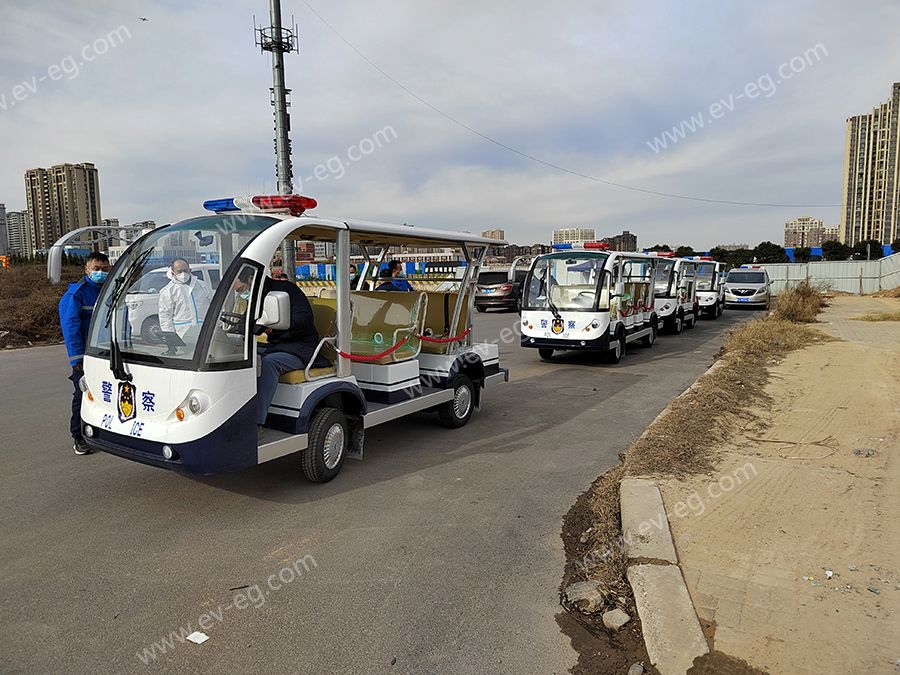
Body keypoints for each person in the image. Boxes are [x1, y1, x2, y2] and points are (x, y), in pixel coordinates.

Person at [233, 268, 330, 433]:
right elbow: (246, 320)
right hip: (276, 345)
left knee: (269, 363)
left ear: (251, 279)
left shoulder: (286, 290)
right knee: (238, 354)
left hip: (299, 347)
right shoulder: (257, 295)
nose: (244, 293)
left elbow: (304, 318)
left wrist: (275, 327)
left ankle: (257, 423)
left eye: (242, 290)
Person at [59, 252, 110, 455]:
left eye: (105, 269)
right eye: (96, 269)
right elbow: (70, 328)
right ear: (86, 270)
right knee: (82, 394)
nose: (100, 272)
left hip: (107, 353)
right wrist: (76, 359)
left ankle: (99, 432)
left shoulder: (109, 290)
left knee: (104, 393)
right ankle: (78, 437)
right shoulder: (76, 294)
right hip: (87, 357)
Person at [157, 259, 213, 350]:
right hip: (182, 334)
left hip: (204, 332)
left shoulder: (203, 286)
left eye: (185, 270)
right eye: (179, 271)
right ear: (173, 273)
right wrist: (171, 341)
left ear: (190, 270)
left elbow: (212, 308)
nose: (183, 274)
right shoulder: (168, 291)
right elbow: (165, 316)